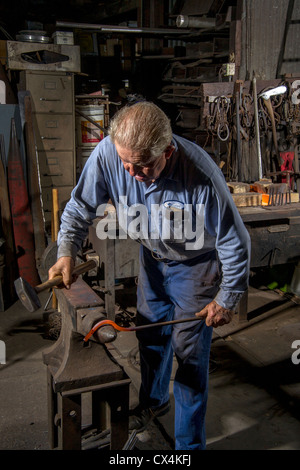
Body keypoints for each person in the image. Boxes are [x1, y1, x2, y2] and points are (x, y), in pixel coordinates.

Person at [49, 101, 251, 450]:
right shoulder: (109, 154)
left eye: (142, 165)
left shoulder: (200, 174)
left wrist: (227, 297)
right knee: (151, 335)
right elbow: (81, 205)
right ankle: (154, 403)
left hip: (196, 266)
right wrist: (65, 251)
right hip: (152, 259)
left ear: (167, 151)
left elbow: (235, 239)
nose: (130, 173)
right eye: (125, 163)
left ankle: (188, 447)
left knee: (188, 355)